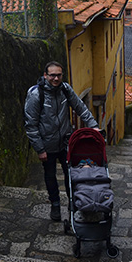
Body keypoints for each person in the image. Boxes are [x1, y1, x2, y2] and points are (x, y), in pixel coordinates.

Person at [24, 61, 99, 221]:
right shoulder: (37, 94)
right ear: (45, 76)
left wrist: (93, 126)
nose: (56, 78)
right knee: (50, 176)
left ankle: (73, 204)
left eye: (58, 75)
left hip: (66, 142)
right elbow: (31, 124)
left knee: (72, 175)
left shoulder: (65, 89)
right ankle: (55, 205)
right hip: (47, 144)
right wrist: (40, 149)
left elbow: (80, 107)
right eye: (52, 75)